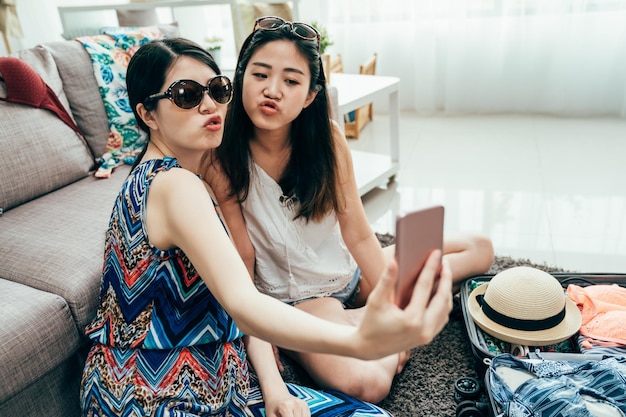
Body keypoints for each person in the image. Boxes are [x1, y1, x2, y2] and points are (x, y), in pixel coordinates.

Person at [79, 37, 454, 417]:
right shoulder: (176, 186)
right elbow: (246, 304)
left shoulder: (178, 176)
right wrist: (359, 341)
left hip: (207, 374)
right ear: (148, 114)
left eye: (216, 89)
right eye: (187, 94)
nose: (209, 105)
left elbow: (240, 296)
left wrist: (275, 391)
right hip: (151, 392)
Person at [202, 16, 495, 403]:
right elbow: (243, 261)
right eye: (260, 75)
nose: (272, 90)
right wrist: (260, 330)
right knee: (369, 384)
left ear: (309, 95)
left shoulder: (328, 140)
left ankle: (367, 317)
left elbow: (357, 232)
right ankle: (352, 326)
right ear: (240, 78)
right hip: (302, 298)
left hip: (351, 275)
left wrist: (392, 303)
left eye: (291, 80)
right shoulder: (223, 158)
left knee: (479, 247)